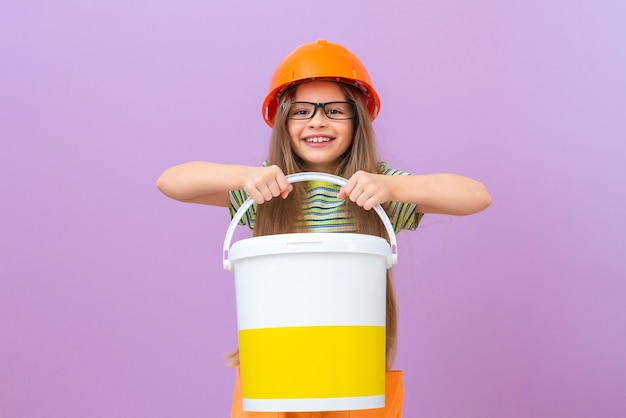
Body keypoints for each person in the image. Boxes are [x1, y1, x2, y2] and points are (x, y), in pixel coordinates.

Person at [157, 39, 491, 418]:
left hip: (352, 369)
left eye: (334, 110)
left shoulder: (377, 190)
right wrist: (247, 177)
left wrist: (393, 187)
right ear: (282, 120)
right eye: (301, 111)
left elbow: (475, 196)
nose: (317, 121)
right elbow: (171, 182)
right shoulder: (267, 190)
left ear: (358, 119)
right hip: (274, 367)